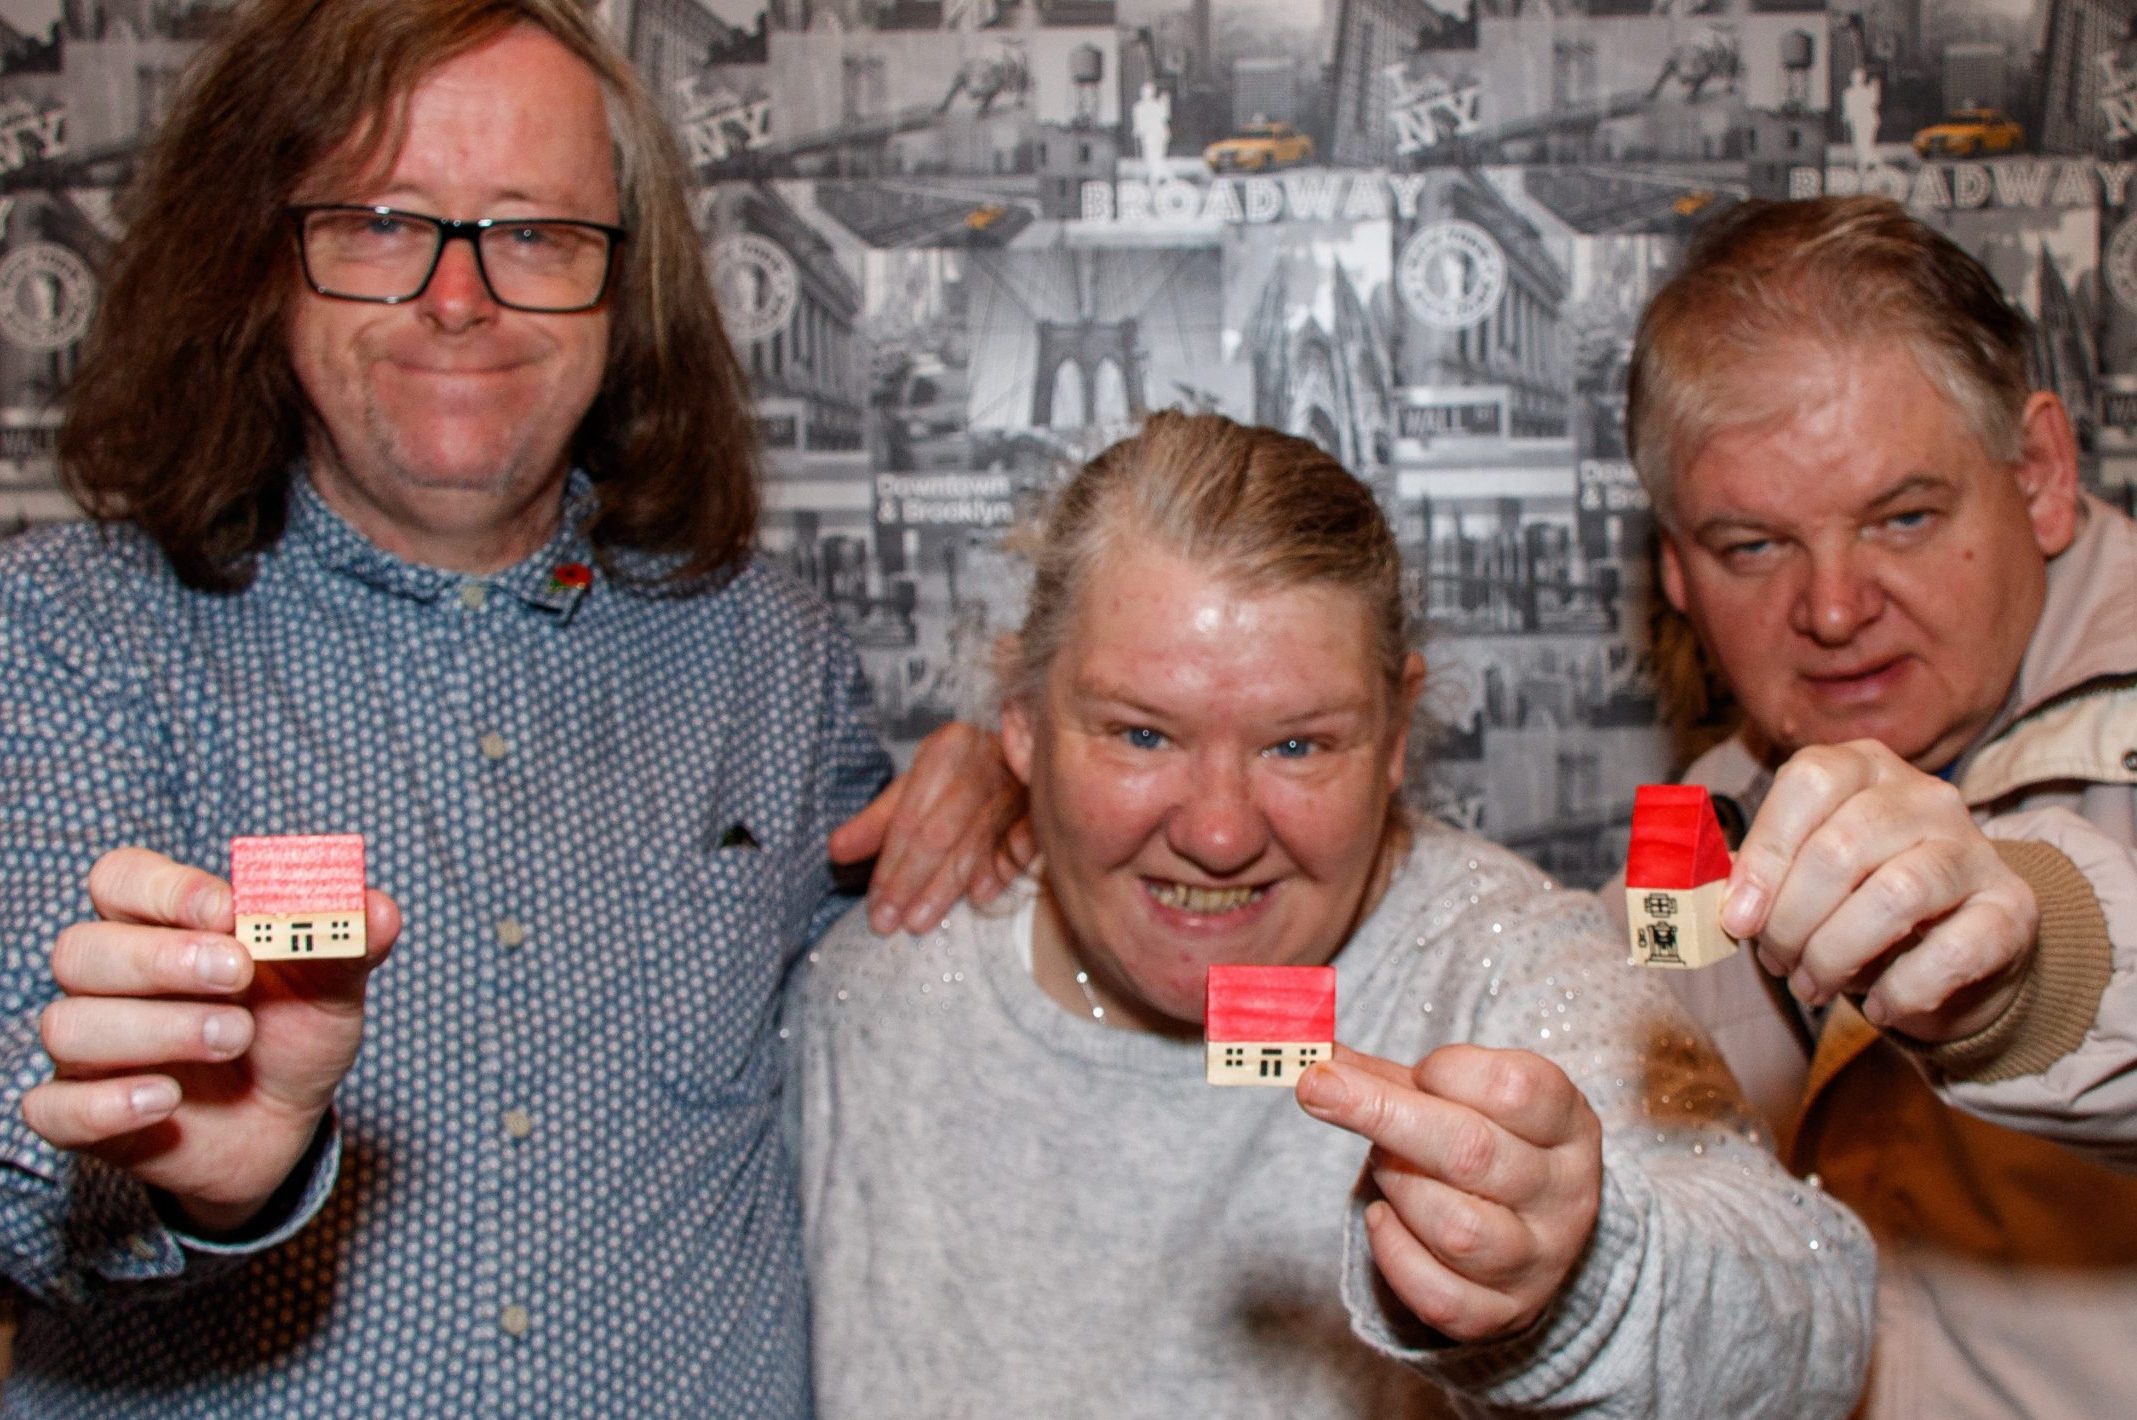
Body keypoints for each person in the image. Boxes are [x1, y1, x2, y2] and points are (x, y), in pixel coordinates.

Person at [0, 2, 1024, 1413]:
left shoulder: (763, 647)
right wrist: (209, 1182)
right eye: (379, 222)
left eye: (536, 233)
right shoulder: (74, 636)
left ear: (624, 291)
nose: (460, 297)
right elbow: (22, 1162)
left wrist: (1011, 808)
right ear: (256, 264)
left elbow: (897, 1040)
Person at [796, 412, 1875, 1419]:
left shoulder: (1494, 963)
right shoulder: (884, 980)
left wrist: (1586, 1274)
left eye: (1297, 744)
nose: (1219, 833)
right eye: (1140, 736)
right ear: (1022, 726)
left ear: (1397, 735)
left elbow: (1812, 1325)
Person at [1627, 194, 2137, 1417]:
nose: (1835, 607)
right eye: (1754, 546)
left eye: (1903, 517)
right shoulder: (1710, 812)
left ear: (2040, 477)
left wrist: (2017, 974)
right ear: (1676, 573)